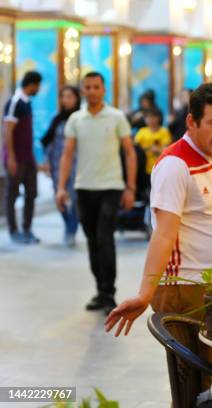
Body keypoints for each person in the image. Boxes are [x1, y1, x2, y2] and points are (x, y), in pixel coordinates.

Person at [104, 83, 212, 405]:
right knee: (194, 390)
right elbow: (163, 233)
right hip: (184, 288)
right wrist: (145, 293)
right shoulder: (174, 165)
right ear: (191, 122)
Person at [56, 72, 137, 314]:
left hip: (111, 187)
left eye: (96, 87)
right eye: (87, 87)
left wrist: (130, 187)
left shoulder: (116, 117)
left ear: (104, 90)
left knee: (105, 239)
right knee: (92, 240)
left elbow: (130, 153)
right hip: (84, 188)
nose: (91, 91)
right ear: (83, 91)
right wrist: (61, 187)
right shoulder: (76, 120)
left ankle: (109, 292)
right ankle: (100, 290)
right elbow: (67, 154)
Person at [3, 71, 42, 244]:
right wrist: (10, 157)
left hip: (28, 157)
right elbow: (8, 130)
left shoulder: (27, 103)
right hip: (16, 158)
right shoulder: (15, 102)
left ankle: (27, 228)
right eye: (38, 85)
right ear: (32, 84)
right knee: (12, 194)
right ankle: (13, 230)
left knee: (31, 193)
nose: (39, 89)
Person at [41, 85, 81, 247]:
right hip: (58, 164)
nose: (67, 100)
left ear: (76, 98)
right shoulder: (56, 119)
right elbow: (48, 142)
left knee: (77, 199)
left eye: (70, 96)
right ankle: (67, 226)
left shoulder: (81, 118)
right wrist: (46, 162)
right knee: (59, 197)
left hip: (78, 165)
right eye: (64, 96)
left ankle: (72, 230)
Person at [134, 108, 172, 177]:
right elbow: (136, 149)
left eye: (153, 117)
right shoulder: (141, 131)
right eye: (148, 117)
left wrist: (158, 150)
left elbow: (167, 150)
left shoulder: (164, 131)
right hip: (144, 168)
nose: (151, 119)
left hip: (160, 167)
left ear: (159, 118)